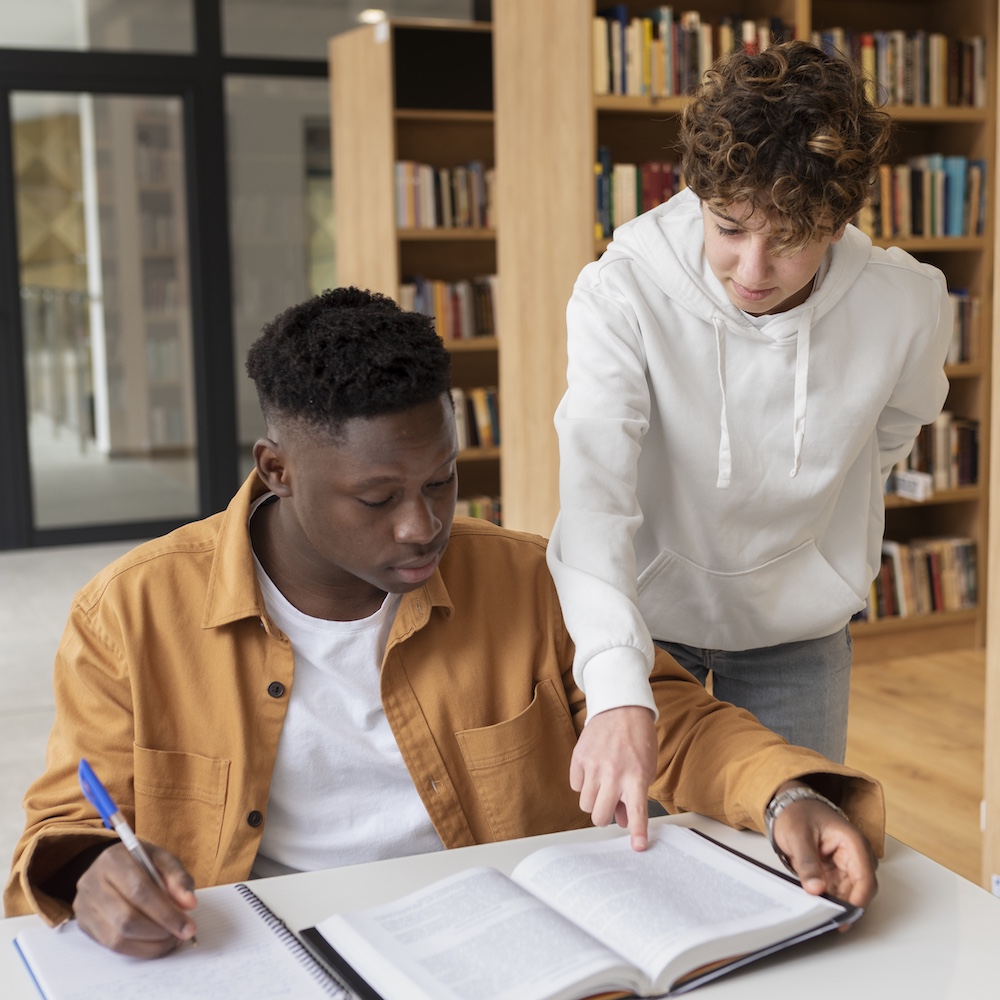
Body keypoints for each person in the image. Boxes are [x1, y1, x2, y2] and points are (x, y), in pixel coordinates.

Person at [6, 287, 882, 959]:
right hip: (272, 959)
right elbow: (64, 827)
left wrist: (786, 794)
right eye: (378, 498)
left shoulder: (530, 577)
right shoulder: (129, 615)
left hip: (503, 953)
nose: (421, 526)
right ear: (276, 469)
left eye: (441, 482)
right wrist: (90, 875)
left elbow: (671, 721)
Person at [547, 42, 951, 848]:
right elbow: (594, 501)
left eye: (792, 238)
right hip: (646, 625)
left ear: (840, 220)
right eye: (728, 227)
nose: (753, 268)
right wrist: (618, 685)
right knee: (645, 865)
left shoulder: (907, 301)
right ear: (698, 194)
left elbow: (893, 431)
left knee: (790, 858)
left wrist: (821, 527)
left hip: (800, 631)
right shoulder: (621, 291)